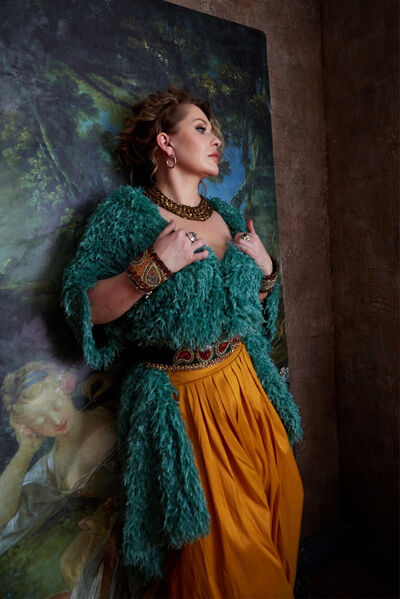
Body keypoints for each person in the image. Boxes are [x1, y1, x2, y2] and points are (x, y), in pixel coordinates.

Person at [62, 88, 304, 599]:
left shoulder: (227, 216)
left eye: (214, 131)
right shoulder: (127, 214)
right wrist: (153, 267)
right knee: (232, 564)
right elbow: (82, 304)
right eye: (201, 128)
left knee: (282, 507)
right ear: (165, 143)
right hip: (186, 402)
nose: (217, 140)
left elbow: (243, 310)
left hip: (248, 387)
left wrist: (266, 273)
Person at [0, 361, 127, 598]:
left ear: (65, 387)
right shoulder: (51, 470)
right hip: (119, 528)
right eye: (40, 421)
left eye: (56, 405)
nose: (55, 420)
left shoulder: (111, 409)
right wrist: (25, 451)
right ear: (30, 428)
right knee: (74, 568)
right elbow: (4, 516)